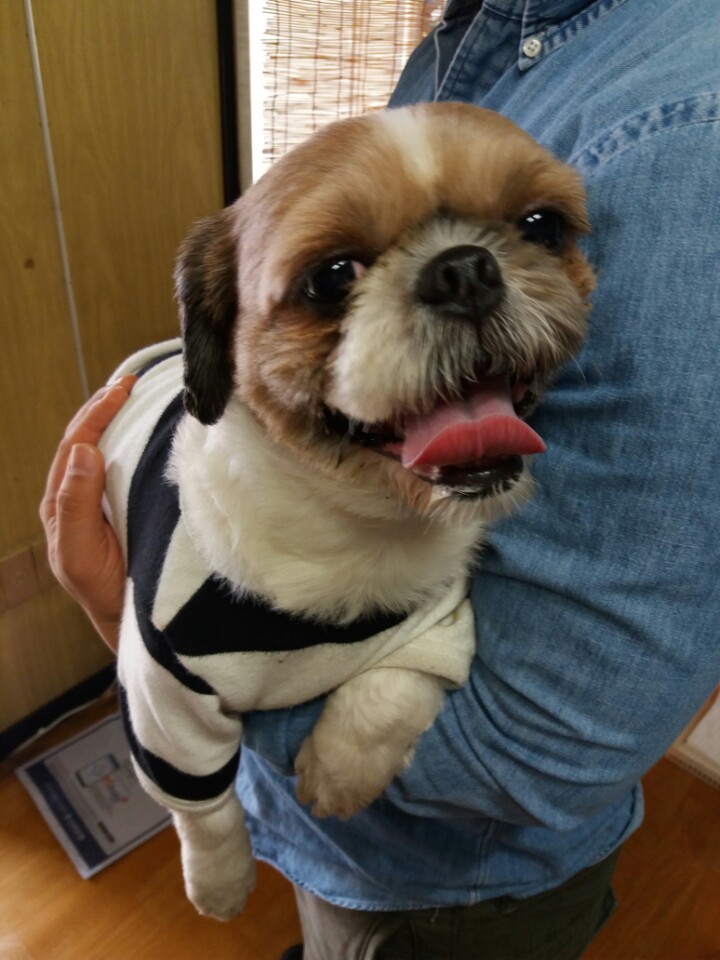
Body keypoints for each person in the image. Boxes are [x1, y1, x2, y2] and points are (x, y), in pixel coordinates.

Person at [41, 1, 720, 957]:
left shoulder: (688, 126)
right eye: (334, 280)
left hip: (448, 892)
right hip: (339, 846)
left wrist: (133, 626)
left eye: (537, 227)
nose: (466, 279)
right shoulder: (473, 34)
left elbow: (539, 751)